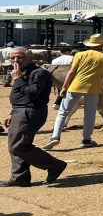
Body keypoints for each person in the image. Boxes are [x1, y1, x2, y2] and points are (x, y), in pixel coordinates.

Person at [43, 34, 103, 150]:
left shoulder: (80, 55)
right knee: (89, 114)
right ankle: (86, 139)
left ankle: (55, 137)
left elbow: (71, 72)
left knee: (63, 112)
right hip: (93, 89)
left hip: (75, 87)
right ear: (102, 44)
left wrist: (64, 87)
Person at [1, 48, 67, 187]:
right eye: (13, 58)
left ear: (30, 59)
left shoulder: (39, 73)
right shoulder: (21, 73)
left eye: (19, 57)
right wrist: (12, 113)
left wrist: (18, 79)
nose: (15, 61)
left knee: (18, 146)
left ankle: (55, 165)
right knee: (17, 145)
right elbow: (20, 96)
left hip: (30, 112)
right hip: (20, 111)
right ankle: (20, 178)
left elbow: (32, 94)